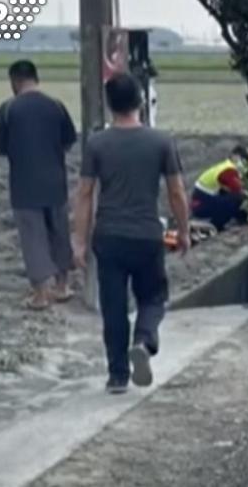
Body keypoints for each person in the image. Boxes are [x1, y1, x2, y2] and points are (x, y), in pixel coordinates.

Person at [72, 72, 191, 395]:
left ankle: (117, 376)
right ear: (140, 101)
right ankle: (144, 340)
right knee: (153, 297)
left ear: (110, 105)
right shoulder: (161, 141)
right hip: (147, 234)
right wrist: (183, 230)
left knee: (113, 306)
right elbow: (177, 191)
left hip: (108, 236)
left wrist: (79, 241)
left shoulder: (97, 143)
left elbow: (84, 194)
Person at [0, 60, 77, 310]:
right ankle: (62, 286)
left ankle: (41, 294)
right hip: (55, 183)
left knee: (33, 238)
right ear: (35, 78)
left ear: (14, 81)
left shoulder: (8, 110)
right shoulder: (56, 106)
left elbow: (0, 147)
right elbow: (68, 141)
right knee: (59, 234)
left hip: (24, 185)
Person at [190, 145, 248, 230]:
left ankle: (240, 218)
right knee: (238, 198)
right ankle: (216, 224)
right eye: (243, 158)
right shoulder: (229, 170)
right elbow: (238, 190)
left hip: (200, 203)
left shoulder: (224, 166)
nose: (244, 162)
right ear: (234, 156)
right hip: (201, 205)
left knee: (232, 196)